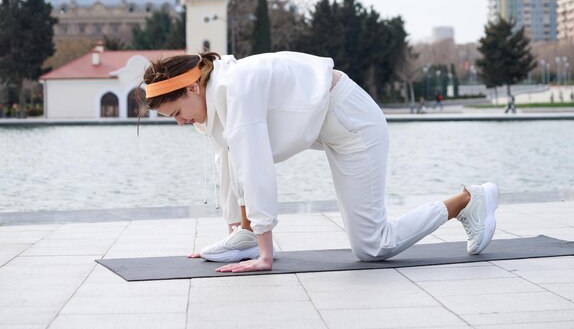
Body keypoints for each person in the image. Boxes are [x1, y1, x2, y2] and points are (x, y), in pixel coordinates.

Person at [140, 51, 499, 273]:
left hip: (355, 124)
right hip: (329, 124)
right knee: (235, 150)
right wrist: (242, 229)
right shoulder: (219, 86)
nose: (181, 123)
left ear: (192, 88)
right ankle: (245, 236)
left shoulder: (235, 87)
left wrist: (265, 256)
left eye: (176, 113)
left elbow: (254, 164)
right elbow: (230, 155)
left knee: (373, 247)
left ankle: (469, 201)